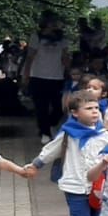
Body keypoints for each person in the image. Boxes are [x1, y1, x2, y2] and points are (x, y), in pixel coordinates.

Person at [30, 91, 108, 216]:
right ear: (75, 113)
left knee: (102, 215)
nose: (95, 111)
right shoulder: (68, 134)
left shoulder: (103, 134)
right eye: (89, 108)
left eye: (96, 108)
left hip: (97, 185)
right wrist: (36, 164)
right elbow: (51, 150)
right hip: (74, 183)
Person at [22, 13, 71, 142]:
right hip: (38, 76)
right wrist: (26, 74)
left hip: (56, 76)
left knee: (58, 107)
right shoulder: (36, 37)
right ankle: (44, 132)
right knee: (41, 106)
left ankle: (49, 124)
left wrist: (69, 69)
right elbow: (30, 57)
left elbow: (65, 56)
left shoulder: (62, 39)